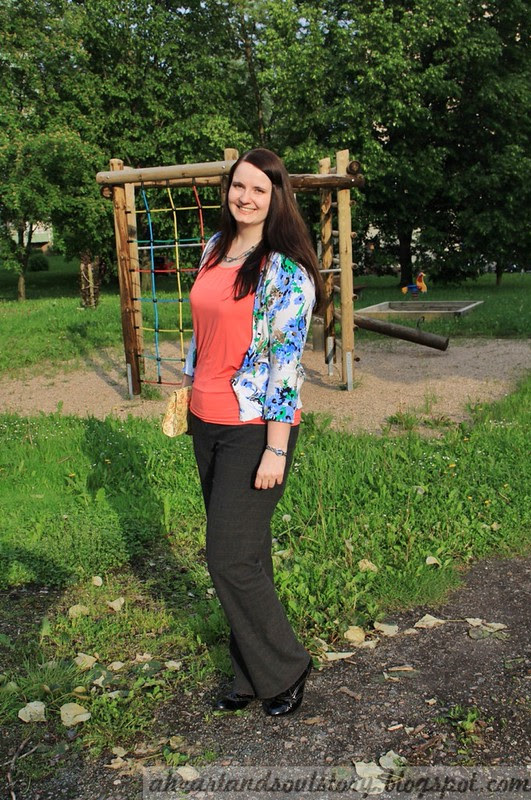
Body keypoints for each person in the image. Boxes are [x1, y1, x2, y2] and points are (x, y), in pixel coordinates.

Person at [181, 148, 324, 717]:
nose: (245, 197)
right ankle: (250, 674)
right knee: (249, 554)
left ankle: (287, 666)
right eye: (239, 186)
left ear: (276, 198)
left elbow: (286, 369)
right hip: (205, 419)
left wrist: (275, 449)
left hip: (253, 430)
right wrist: (188, 386)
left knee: (228, 559)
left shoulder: (286, 274)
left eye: (259, 190)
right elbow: (202, 330)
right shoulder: (215, 248)